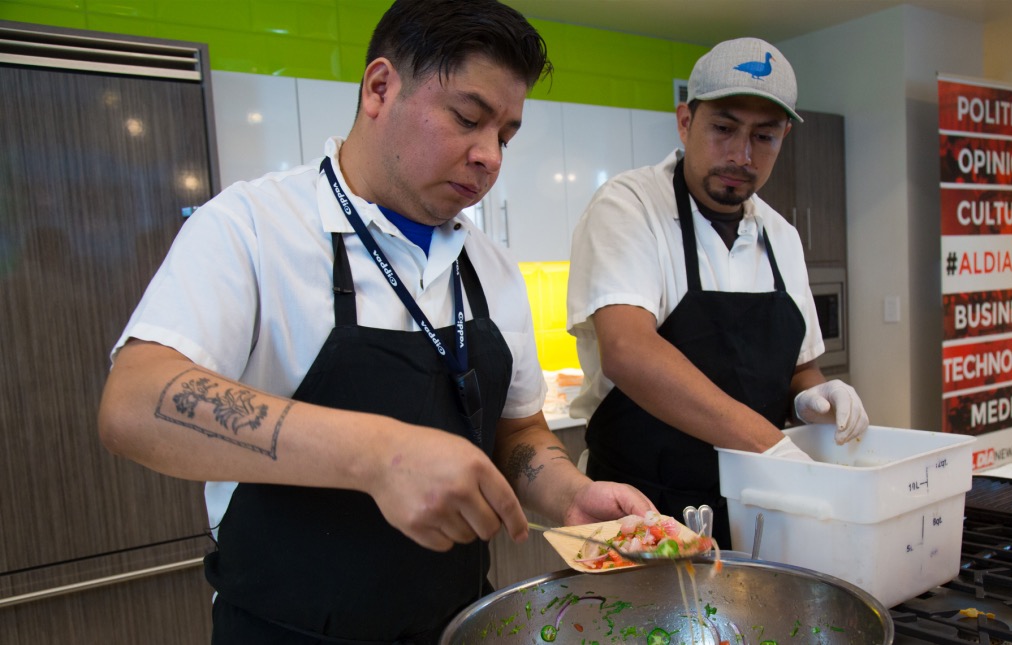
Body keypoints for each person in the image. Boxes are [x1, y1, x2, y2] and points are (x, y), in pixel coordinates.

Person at [97, 1, 653, 642]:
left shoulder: (491, 266)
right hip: (288, 630)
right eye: (468, 119)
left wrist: (569, 496)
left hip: (461, 623)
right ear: (380, 88)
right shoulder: (254, 226)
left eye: (504, 135)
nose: (490, 157)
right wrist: (378, 454)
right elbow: (134, 402)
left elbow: (518, 430)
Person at [566, 37, 869, 551]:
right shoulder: (629, 206)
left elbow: (799, 367)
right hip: (637, 513)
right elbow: (628, 352)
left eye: (765, 137)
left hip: (755, 513)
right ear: (685, 122)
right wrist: (771, 445)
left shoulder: (782, 237)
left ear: (783, 138)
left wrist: (813, 397)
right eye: (724, 128)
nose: (741, 155)